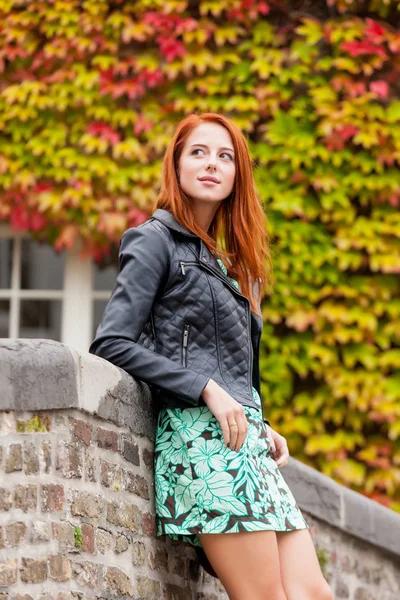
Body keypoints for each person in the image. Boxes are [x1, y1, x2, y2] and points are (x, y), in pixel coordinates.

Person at [89, 112, 334, 600]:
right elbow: (111, 342)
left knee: (313, 594)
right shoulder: (154, 241)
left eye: (225, 157)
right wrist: (204, 388)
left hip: (247, 445)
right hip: (202, 445)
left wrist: (259, 420)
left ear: (237, 175)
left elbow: (227, 359)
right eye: (198, 152)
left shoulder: (231, 265)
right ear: (176, 165)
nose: (211, 164)